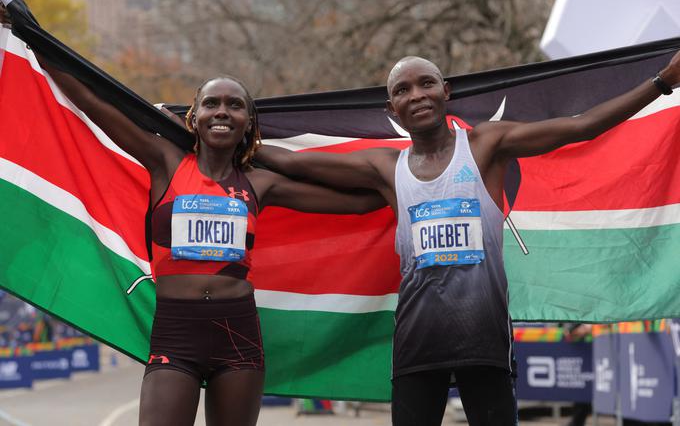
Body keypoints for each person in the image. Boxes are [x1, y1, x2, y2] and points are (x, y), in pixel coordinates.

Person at [0, 0, 386, 426]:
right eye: (211, 104)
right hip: (175, 332)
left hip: (237, 333)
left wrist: (403, 185)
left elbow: (356, 204)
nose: (222, 112)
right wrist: (31, 35)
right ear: (194, 117)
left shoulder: (261, 182)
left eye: (235, 105)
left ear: (248, 122)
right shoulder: (164, 161)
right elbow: (94, 103)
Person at [254, 53, 680, 425]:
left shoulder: (485, 146)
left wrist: (663, 81)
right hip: (417, 343)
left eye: (426, 83)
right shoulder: (387, 168)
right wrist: (227, 140)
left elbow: (583, 126)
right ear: (392, 107)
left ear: (446, 91)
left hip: (485, 340)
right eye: (403, 90)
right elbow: (296, 166)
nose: (416, 94)